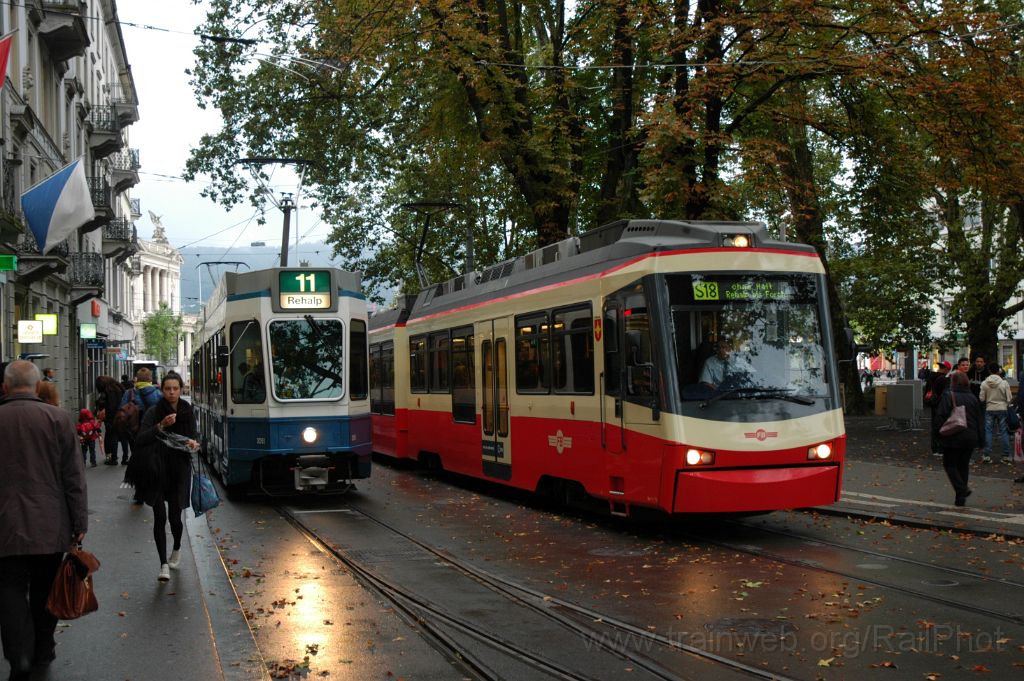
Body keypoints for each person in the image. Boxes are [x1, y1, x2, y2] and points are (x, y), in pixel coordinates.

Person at [0, 360, 87, 679]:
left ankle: (17, 654)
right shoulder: (58, 419)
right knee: (45, 589)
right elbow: (73, 477)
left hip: (5, 526)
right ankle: (42, 649)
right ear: (38, 387)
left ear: (5, 387)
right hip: (50, 525)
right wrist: (79, 524)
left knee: (8, 588)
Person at [133, 372, 199, 582]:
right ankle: (163, 564)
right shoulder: (154, 412)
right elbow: (140, 439)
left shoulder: (188, 412)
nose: (171, 392)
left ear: (181, 390)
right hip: (156, 469)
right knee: (160, 517)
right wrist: (160, 426)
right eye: (168, 389)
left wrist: (194, 444)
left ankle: (177, 548)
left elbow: (195, 438)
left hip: (179, 470)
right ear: (162, 390)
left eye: (175, 388)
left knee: (175, 518)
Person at [934, 371, 985, 507]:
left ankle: (962, 490)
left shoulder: (949, 395)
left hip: (954, 435)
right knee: (963, 465)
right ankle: (960, 498)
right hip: (971, 436)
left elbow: (940, 415)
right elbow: (979, 419)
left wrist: (938, 434)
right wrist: (981, 439)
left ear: (953, 382)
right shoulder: (973, 397)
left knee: (949, 464)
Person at [979, 362, 1012, 464]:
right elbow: (1009, 398)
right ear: (999, 370)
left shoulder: (984, 383)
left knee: (988, 431)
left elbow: (981, 398)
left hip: (989, 409)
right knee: (1003, 431)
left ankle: (987, 455)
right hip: (1002, 409)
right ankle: (1005, 456)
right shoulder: (1004, 383)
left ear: (989, 371)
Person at [95, 376, 127, 465]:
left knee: (112, 437)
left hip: (111, 418)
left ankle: (113, 458)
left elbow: (104, 405)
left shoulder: (107, 391)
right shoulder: (120, 387)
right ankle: (125, 458)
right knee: (124, 438)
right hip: (122, 416)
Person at [923, 361, 952, 458]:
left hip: (933, 404)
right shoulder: (944, 379)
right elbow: (946, 394)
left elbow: (927, 391)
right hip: (941, 405)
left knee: (934, 426)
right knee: (942, 426)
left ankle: (935, 448)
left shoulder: (930, 377)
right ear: (946, 369)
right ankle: (941, 449)